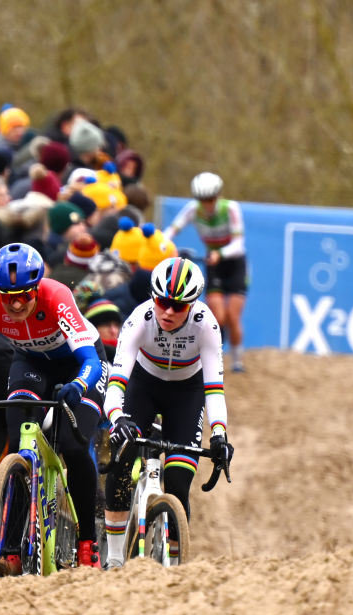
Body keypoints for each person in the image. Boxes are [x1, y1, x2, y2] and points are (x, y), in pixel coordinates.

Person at [0, 242, 106, 569]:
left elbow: (90, 360)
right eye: (8, 297)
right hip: (31, 362)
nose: (17, 304)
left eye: (24, 294)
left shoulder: (57, 296)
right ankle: (11, 544)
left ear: (37, 288)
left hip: (79, 363)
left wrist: (79, 385)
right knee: (20, 435)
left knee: (74, 446)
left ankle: (87, 542)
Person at [102, 257, 234, 568]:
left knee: (178, 481)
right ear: (152, 297)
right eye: (163, 302)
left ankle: (177, 567)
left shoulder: (207, 325)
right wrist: (117, 418)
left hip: (186, 394)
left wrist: (219, 434)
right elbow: (116, 384)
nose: (169, 312)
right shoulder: (138, 320)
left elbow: (214, 389)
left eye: (179, 306)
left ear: (194, 304)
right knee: (120, 464)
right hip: (143, 387)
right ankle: (114, 559)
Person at [165, 172, 248, 372]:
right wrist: (161, 246)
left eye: (210, 199)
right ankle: (214, 355)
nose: (208, 205)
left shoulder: (231, 209)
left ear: (218, 196)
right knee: (218, 317)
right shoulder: (193, 210)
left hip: (235, 263)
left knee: (233, 316)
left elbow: (239, 243)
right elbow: (171, 231)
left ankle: (237, 360)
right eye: (203, 200)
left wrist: (220, 252)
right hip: (214, 263)